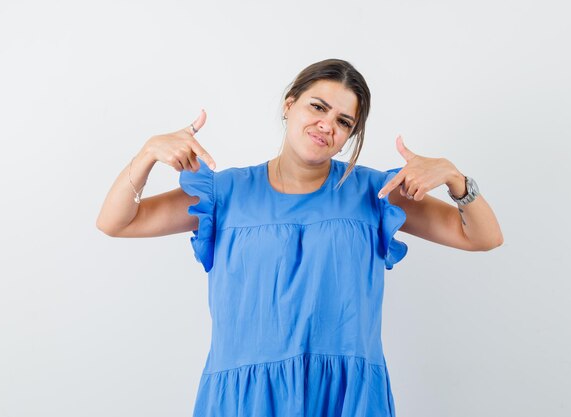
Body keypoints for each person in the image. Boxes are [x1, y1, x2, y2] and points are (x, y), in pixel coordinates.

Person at [96, 58, 503, 417]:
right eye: (318, 107)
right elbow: (116, 222)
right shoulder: (226, 194)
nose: (327, 125)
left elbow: (483, 237)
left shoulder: (373, 194)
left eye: (344, 122)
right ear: (289, 105)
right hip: (245, 400)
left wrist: (456, 179)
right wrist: (148, 152)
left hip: (345, 398)